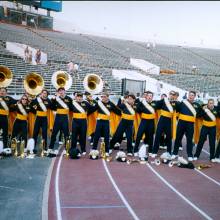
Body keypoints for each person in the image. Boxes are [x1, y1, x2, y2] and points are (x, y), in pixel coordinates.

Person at [172, 91, 202, 161]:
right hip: (181, 123)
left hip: (190, 124)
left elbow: (200, 114)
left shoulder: (197, 105)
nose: (190, 96)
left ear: (194, 96)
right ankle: (174, 153)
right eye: (189, 95)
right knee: (178, 138)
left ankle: (190, 155)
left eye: (192, 95)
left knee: (189, 140)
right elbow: (177, 110)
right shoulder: (183, 102)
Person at [91, 92, 121, 157]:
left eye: (104, 96)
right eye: (102, 96)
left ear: (108, 97)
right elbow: (92, 110)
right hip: (99, 121)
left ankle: (106, 151)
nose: (103, 98)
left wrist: (124, 113)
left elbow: (117, 111)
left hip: (106, 122)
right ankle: (94, 149)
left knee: (107, 137)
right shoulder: (99, 103)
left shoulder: (111, 104)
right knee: (96, 136)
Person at [48, 87, 73, 156]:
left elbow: (72, 108)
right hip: (58, 117)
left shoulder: (69, 98)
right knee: (54, 133)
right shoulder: (56, 98)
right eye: (59, 91)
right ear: (58, 92)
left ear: (65, 91)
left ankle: (67, 148)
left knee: (66, 134)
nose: (61, 92)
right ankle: (50, 148)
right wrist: (53, 99)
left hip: (65, 117)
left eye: (62, 90)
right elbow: (51, 107)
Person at [152, 91, 177, 158]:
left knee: (169, 137)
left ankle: (169, 152)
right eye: (171, 94)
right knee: (158, 135)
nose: (172, 95)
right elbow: (156, 105)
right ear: (169, 94)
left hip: (169, 121)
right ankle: (154, 151)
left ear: (174, 96)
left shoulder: (176, 103)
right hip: (162, 119)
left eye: (173, 94)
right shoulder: (164, 100)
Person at [134, 91, 157, 156]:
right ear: (146, 97)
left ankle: (150, 151)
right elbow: (137, 110)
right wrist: (141, 103)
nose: (149, 97)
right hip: (144, 121)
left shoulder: (155, 103)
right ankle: (135, 150)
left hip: (151, 122)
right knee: (139, 135)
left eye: (151, 96)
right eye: (148, 96)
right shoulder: (142, 103)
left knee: (151, 137)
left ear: (152, 97)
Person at [30, 89, 52, 154]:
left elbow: (52, 107)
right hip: (38, 117)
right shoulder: (36, 99)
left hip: (44, 118)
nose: (44, 94)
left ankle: (45, 148)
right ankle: (32, 148)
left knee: (44, 133)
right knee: (35, 133)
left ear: (47, 94)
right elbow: (31, 105)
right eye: (43, 93)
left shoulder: (49, 101)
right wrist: (35, 110)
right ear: (41, 93)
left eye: (45, 93)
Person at [0, 87, 17, 153]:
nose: (2, 92)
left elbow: (16, 102)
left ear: (6, 92)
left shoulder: (9, 98)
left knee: (5, 133)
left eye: (3, 91)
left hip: (5, 118)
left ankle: (5, 147)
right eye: (1, 91)